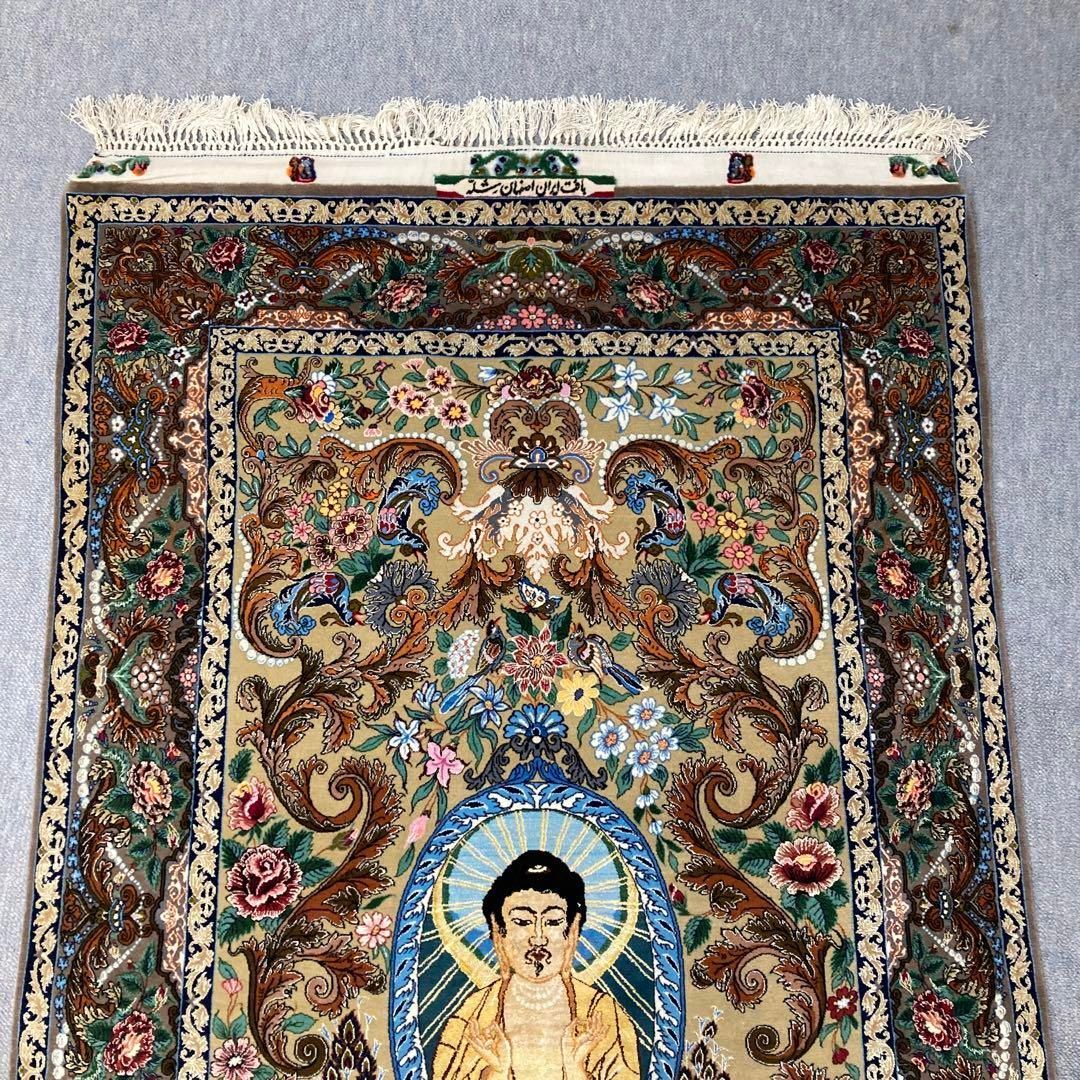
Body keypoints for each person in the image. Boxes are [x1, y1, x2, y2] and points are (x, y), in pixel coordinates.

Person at [432, 851, 640, 1080]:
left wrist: (576, 1071)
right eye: (522, 921)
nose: (538, 938)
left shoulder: (602, 1014)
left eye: (553, 921)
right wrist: (496, 1072)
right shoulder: (473, 1018)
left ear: (572, 929)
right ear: (499, 931)